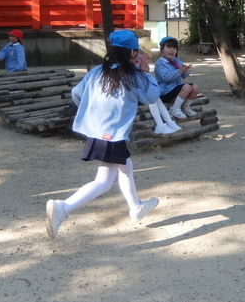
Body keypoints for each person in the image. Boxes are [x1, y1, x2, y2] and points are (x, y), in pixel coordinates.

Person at [44, 30, 161, 239]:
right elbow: (152, 96)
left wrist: (92, 114)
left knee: (125, 166)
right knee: (104, 182)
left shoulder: (97, 71)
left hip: (98, 131)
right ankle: (63, 208)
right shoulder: (134, 76)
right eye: (137, 51)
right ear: (132, 53)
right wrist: (146, 72)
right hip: (112, 135)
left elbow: (76, 94)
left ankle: (136, 207)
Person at [135, 50, 181, 135]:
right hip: (133, 98)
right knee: (152, 99)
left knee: (156, 99)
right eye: (138, 60)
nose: (140, 62)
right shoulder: (128, 67)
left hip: (140, 94)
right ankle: (160, 125)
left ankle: (169, 122)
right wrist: (143, 69)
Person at [154, 36, 200, 120]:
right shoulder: (160, 63)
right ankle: (175, 108)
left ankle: (185, 107)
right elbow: (166, 78)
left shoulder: (176, 60)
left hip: (175, 89)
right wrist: (179, 71)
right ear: (162, 49)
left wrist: (186, 70)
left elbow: (184, 76)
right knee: (187, 87)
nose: (172, 50)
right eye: (169, 47)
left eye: (174, 48)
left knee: (195, 87)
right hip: (165, 92)